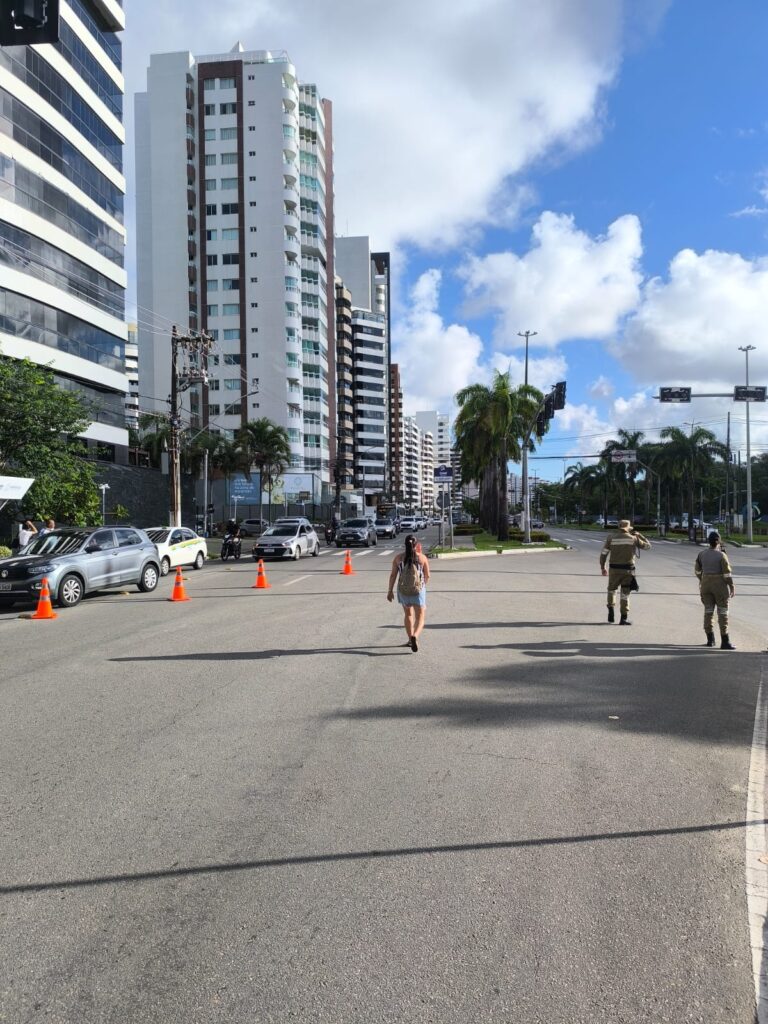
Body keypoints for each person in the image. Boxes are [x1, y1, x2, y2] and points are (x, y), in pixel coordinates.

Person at [599, 519, 651, 625]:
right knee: (625, 594)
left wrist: (603, 567)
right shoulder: (634, 538)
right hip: (628, 570)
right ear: (628, 528)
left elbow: (603, 554)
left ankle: (611, 611)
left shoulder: (611, 537)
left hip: (614, 570)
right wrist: (640, 535)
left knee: (612, 590)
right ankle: (623, 618)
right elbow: (648, 546)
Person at [387, 533, 430, 652]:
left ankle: (410, 640)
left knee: (408, 615)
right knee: (420, 617)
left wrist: (390, 591)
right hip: (418, 592)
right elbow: (427, 575)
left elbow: (393, 575)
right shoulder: (422, 558)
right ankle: (415, 636)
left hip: (403, 591)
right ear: (416, 545)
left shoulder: (398, 558)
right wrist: (422, 586)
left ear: (405, 544)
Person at [695, 531, 736, 649]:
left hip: (705, 585)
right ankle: (725, 641)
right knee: (723, 612)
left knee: (708, 611)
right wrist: (732, 586)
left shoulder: (701, 554)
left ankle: (710, 639)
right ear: (717, 541)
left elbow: (697, 571)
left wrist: (702, 580)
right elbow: (727, 574)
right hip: (719, 586)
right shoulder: (721, 555)